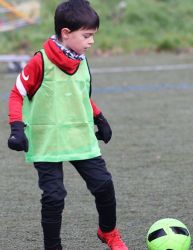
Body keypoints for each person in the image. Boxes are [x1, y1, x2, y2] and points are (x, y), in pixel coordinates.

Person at [7, 1, 128, 249]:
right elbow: (16, 94)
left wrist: (100, 117)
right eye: (87, 35)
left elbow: (80, 94)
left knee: (104, 186)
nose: (91, 41)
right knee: (53, 198)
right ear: (65, 33)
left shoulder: (81, 60)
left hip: (79, 136)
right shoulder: (39, 61)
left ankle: (109, 232)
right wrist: (16, 128)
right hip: (47, 141)